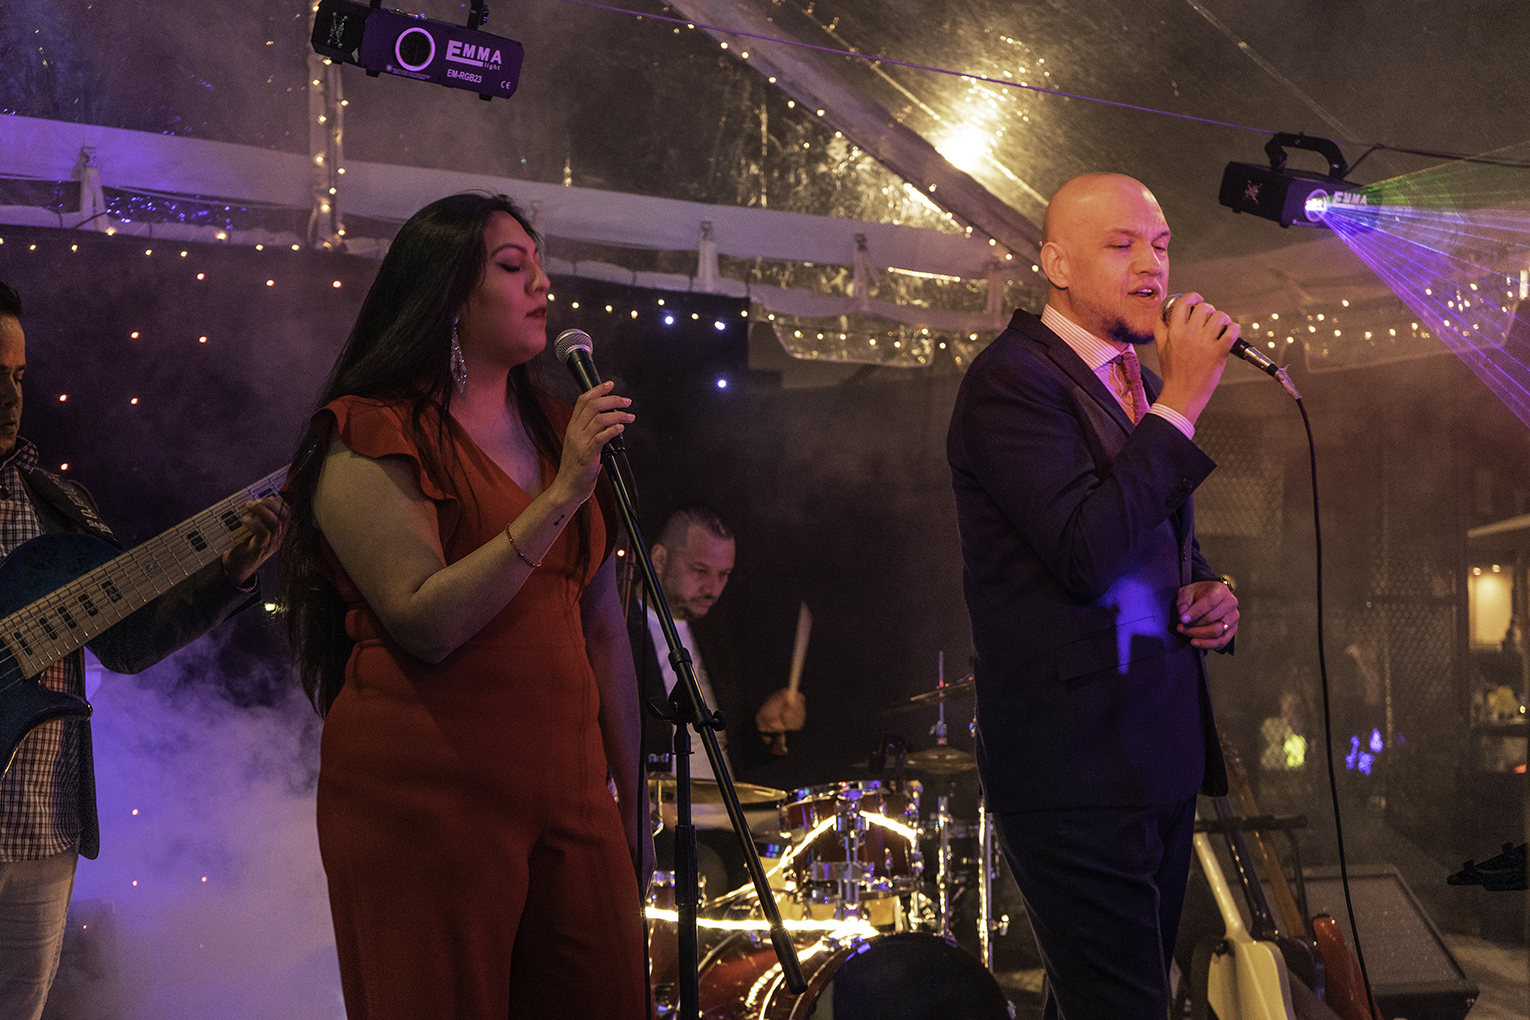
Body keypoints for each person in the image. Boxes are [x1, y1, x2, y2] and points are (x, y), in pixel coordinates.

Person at [277, 193, 651, 1019]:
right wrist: (559, 496)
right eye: (512, 267)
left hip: (571, 793)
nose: (542, 284)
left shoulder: (561, 432)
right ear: (448, 296)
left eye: (539, 263)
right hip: (427, 797)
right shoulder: (367, 431)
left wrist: (637, 802)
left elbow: (603, 629)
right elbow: (423, 619)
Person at [946, 173, 1240, 1019]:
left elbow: (1146, 535)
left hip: (1153, 757)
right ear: (1055, 263)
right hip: (1076, 765)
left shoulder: (1125, 379)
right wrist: (1182, 402)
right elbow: (1083, 551)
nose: (1153, 263)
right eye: (1123, 244)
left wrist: (1209, 588)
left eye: (1162, 244)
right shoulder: (1012, 381)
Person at [0, 280, 285, 1020]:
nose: (9, 396)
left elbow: (126, 645)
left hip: (43, 822)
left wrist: (229, 576)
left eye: (19, 377)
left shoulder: (60, 507)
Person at [634, 504, 807, 781]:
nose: (713, 588)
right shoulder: (616, 626)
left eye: (723, 574)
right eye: (700, 570)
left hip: (724, 811)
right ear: (658, 558)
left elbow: (733, 753)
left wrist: (763, 727)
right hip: (655, 816)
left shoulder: (715, 632)